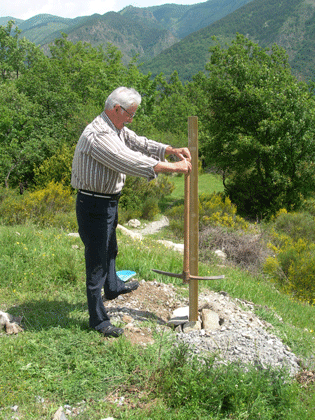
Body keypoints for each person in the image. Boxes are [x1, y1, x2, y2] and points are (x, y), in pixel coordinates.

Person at [71, 86, 192, 338]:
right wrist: (173, 167)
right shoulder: (99, 135)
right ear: (117, 109)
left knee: (110, 247)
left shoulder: (115, 128)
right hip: (94, 203)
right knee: (96, 262)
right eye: (130, 114)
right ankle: (98, 320)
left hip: (107, 200)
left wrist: (170, 150)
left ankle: (113, 286)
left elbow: (138, 143)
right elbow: (128, 160)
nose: (131, 119)